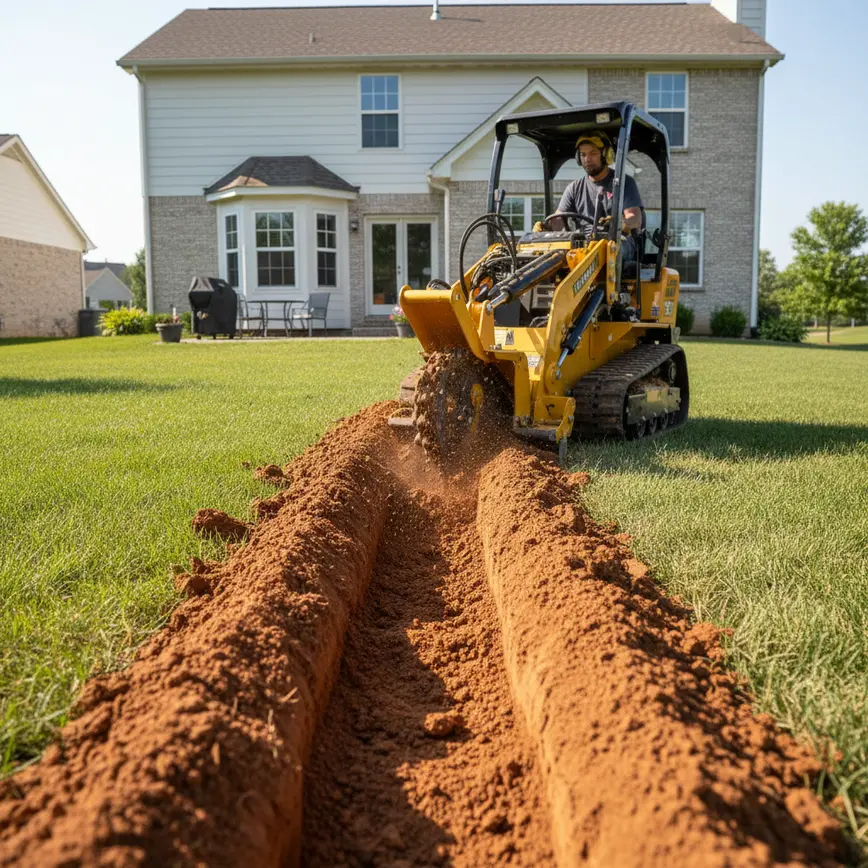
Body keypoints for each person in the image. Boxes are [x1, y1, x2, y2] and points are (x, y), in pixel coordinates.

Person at [549, 130, 643, 265]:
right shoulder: (574, 188)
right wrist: (549, 226)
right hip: (584, 245)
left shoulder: (624, 183)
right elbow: (558, 217)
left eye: (593, 153)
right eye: (583, 154)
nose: (587, 159)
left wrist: (619, 224)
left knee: (606, 251)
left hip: (617, 242)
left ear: (607, 155)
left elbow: (635, 218)